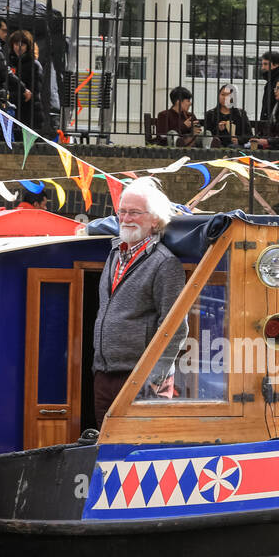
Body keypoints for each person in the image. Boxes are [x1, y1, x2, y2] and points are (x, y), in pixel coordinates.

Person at [91, 176, 188, 426]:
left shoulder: (165, 263)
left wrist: (155, 377)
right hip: (105, 375)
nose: (125, 218)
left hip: (141, 379)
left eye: (134, 212)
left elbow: (175, 326)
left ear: (154, 219)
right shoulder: (115, 254)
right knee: (104, 451)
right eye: (122, 212)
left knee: (138, 452)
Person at [9, 29, 44, 131]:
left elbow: (34, 91)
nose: (18, 48)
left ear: (28, 47)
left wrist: (10, 96)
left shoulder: (34, 65)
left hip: (30, 114)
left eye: (22, 45)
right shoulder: (10, 62)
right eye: (16, 44)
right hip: (14, 111)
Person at [203, 83, 251, 148]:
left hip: (236, 147)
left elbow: (249, 134)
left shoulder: (240, 113)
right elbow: (207, 136)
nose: (225, 98)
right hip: (217, 148)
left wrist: (239, 140)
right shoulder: (210, 114)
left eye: (228, 95)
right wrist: (219, 129)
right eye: (222, 95)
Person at [258, 51, 279, 125]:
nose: (263, 67)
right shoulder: (271, 81)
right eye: (262, 64)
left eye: (266, 64)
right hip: (269, 124)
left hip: (274, 126)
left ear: (276, 64)